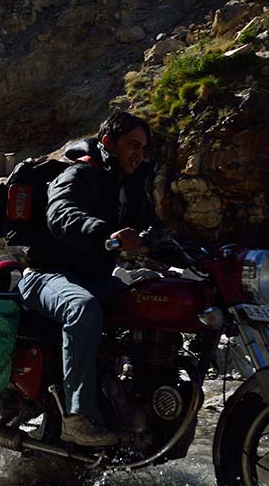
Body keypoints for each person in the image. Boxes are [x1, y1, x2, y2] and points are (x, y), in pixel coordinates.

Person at [18, 111, 163, 447]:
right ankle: (76, 417)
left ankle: (133, 396)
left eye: (143, 147)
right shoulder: (78, 174)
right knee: (82, 309)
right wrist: (107, 233)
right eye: (132, 145)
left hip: (96, 279)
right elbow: (62, 215)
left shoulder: (131, 187)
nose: (139, 153)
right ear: (109, 143)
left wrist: (196, 251)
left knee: (152, 301)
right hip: (46, 276)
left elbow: (155, 228)